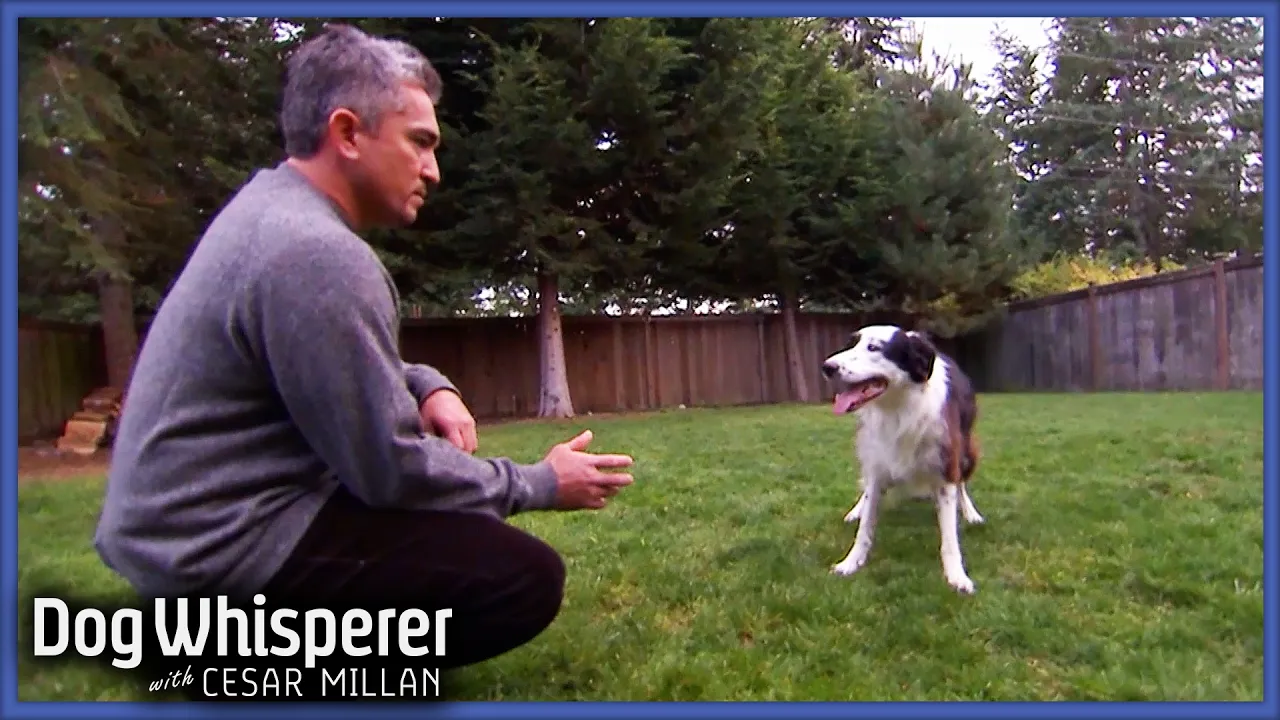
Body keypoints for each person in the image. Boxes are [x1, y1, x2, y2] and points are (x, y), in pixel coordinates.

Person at [93, 23, 635, 676]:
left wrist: (424, 382)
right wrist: (540, 482)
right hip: (218, 555)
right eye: (420, 142)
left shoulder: (271, 214)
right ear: (348, 133)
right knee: (518, 576)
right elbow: (391, 470)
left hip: (185, 537)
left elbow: (313, 358)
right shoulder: (315, 254)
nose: (433, 170)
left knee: (462, 538)